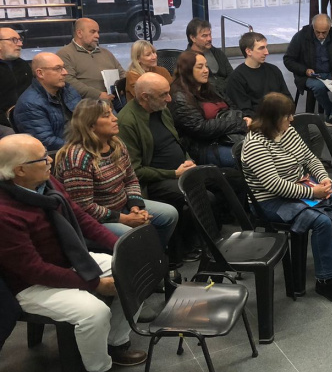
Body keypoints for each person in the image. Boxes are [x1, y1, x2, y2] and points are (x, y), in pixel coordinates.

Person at [0, 134, 148, 371]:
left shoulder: (47, 184)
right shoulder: (5, 214)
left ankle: (116, 342)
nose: (50, 160)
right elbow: (34, 271)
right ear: (20, 170)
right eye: (42, 158)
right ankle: (98, 367)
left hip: (68, 260)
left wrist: (120, 249)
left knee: (134, 268)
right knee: (94, 313)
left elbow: (81, 217)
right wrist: (94, 284)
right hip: (30, 285)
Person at [241, 93, 332, 304]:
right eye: (287, 116)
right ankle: (325, 280)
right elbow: (274, 185)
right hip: (269, 200)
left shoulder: (287, 131)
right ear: (273, 118)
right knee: (321, 221)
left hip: (301, 186)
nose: (292, 119)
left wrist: (323, 178)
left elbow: (310, 158)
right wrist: (313, 193)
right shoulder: (255, 144)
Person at [55, 99, 178, 247]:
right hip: (93, 220)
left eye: (112, 113)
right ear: (91, 125)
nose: (115, 118)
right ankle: (142, 257)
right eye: (107, 116)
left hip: (122, 206)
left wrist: (135, 207)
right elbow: (84, 207)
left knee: (169, 214)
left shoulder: (116, 144)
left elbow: (131, 179)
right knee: (134, 236)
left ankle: (155, 255)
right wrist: (125, 219)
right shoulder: (78, 158)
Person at [117, 73, 197, 230]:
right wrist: (174, 173)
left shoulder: (161, 109)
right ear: (145, 97)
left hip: (180, 170)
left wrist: (188, 160)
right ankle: (192, 243)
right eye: (163, 94)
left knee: (222, 179)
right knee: (202, 197)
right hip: (155, 182)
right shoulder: (127, 122)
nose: (169, 99)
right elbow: (135, 171)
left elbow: (176, 141)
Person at [169, 51, 250, 168]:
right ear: (187, 70)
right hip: (204, 146)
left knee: (269, 148)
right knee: (252, 158)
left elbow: (232, 106)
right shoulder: (180, 96)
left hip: (230, 136)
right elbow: (201, 128)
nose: (206, 70)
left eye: (206, 66)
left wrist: (243, 119)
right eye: (200, 67)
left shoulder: (210, 87)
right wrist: (238, 123)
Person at [283, 14, 332, 122]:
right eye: (317, 32)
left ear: (329, 28)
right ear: (313, 27)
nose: (321, 36)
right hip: (308, 75)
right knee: (318, 87)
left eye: (324, 32)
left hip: (329, 73)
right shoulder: (301, 36)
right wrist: (305, 70)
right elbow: (288, 60)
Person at [14, 52, 81, 151]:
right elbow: (46, 142)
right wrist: (82, 148)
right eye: (58, 68)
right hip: (60, 153)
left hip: (80, 143)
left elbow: (86, 118)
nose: (65, 72)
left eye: (63, 67)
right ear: (40, 73)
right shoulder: (29, 104)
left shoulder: (68, 89)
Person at [56, 18, 125, 101]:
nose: (97, 36)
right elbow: (68, 81)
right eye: (93, 32)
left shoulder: (106, 53)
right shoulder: (65, 54)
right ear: (79, 33)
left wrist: (122, 88)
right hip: (88, 102)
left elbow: (122, 73)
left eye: (98, 32)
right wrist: (97, 95)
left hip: (117, 97)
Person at [228, 32, 292, 118]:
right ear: (248, 51)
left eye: (266, 47)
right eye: (261, 48)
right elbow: (245, 111)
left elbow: (287, 98)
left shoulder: (274, 70)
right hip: (258, 122)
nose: (267, 52)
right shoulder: (236, 78)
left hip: (280, 118)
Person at [185, 18, 233, 95]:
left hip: (227, 93)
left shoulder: (218, 53)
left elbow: (231, 74)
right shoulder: (186, 59)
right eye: (204, 36)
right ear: (193, 38)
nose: (209, 39)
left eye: (210, 35)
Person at [0, 27, 32, 127]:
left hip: (27, 116)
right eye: (14, 40)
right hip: (4, 122)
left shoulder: (23, 65)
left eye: (20, 39)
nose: (20, 44)